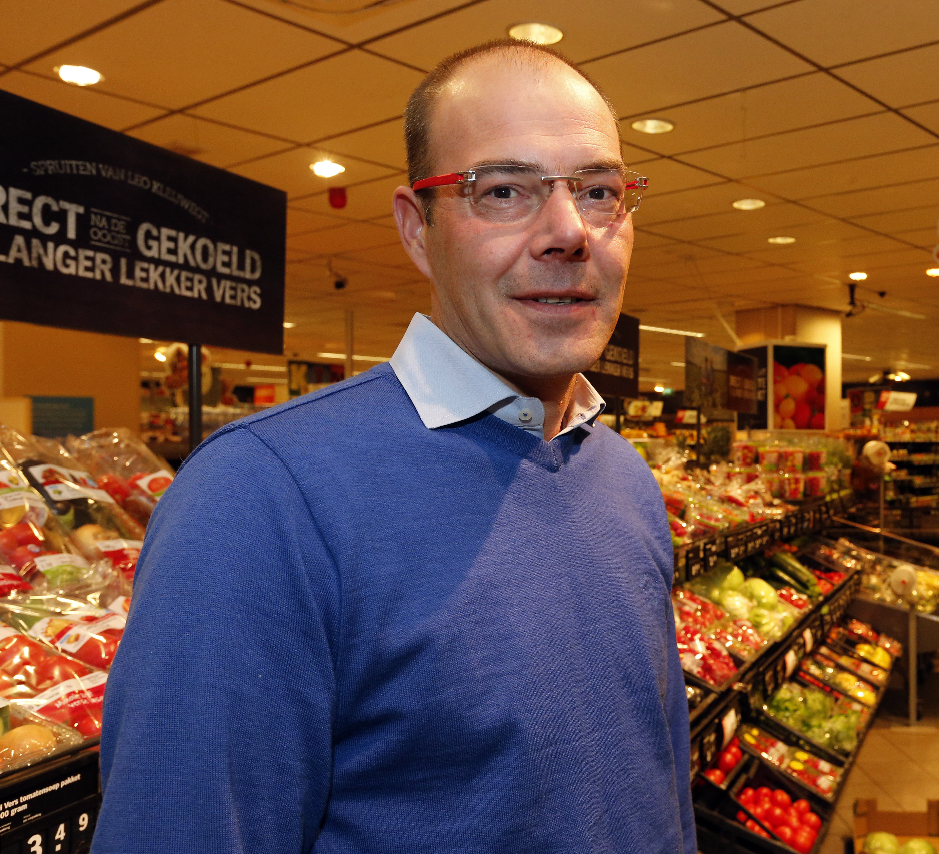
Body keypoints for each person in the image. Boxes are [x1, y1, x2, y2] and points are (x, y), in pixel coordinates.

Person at [94, 40, 695, 853]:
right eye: (505, 190)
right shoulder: (260, 499)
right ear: (419, 230)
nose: (567, 232)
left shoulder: (623, 480)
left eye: (598, 191)